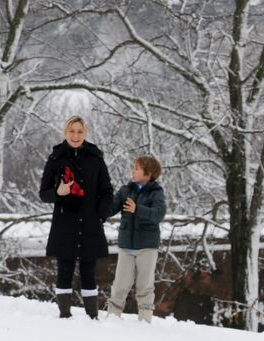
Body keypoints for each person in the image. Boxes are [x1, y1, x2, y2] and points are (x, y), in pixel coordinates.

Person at [38, 116, 114, 319]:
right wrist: (58, 192)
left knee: (89, 270)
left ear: (85, 133)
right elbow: (43, 193)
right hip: (65, 223)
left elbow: (107, 191)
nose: (75, 135)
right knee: (64, 269)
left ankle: (92, 317)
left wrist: (101, 213)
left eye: (80, 131)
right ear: (65, 132)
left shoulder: (96, 158)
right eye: (72, 131)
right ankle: (64, 316)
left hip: (90, 222)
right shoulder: (56, 159)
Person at [106, 155, 167, 322]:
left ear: (148, 174)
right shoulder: (126, 190)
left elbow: (158, 214)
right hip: (126, 246)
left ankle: (145, 319)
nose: (133, 171)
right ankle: (112, 317)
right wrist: (100, 200)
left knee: (145, 286)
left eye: (136, 169)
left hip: (147, 247)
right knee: (119, 284)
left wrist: (137, 209)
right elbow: (110, 209)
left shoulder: (156, 193)